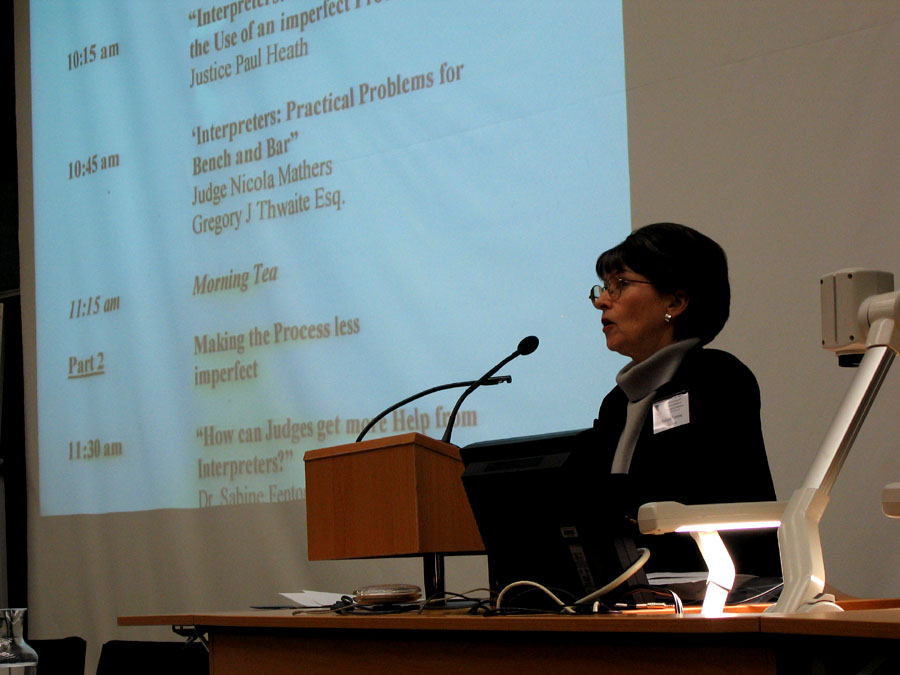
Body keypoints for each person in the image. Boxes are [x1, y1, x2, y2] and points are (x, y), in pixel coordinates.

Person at [590, 222, 780, 577]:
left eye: (620, 285)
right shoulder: (615, 403)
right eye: (603, 287)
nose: (602, 300)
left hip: (723, 589)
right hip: (637, 591)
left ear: (675, 302)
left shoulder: (718, 379)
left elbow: (699, 492)